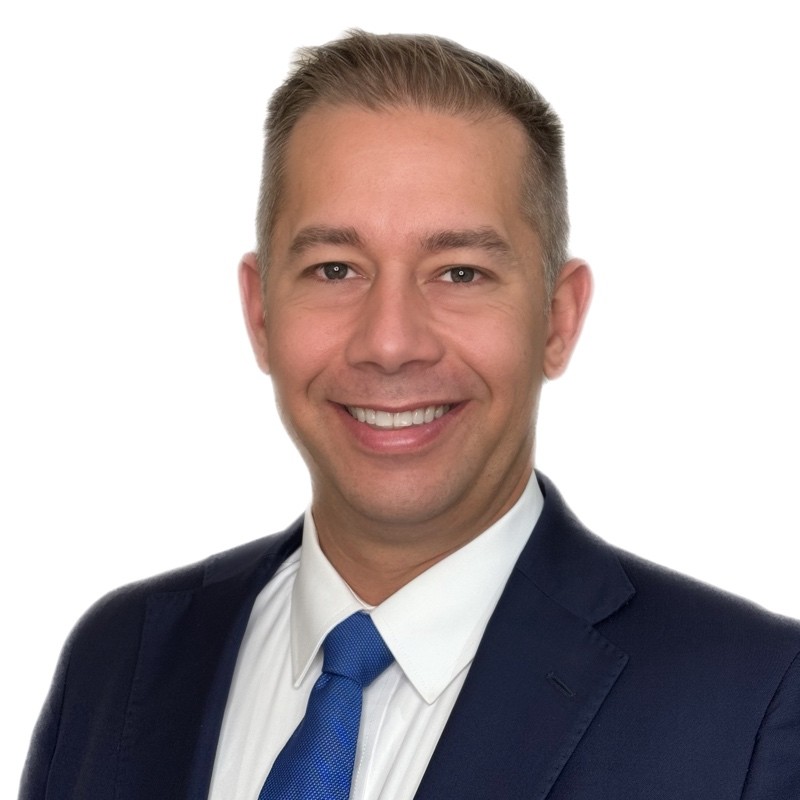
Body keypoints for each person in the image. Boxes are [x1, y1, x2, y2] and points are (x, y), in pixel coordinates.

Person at [20, 30, 800, 800]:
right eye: (335, 269)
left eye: (460, 272)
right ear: (260, 313)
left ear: (558, 320)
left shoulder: (752, 707)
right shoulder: (118, 662)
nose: (390, 343)